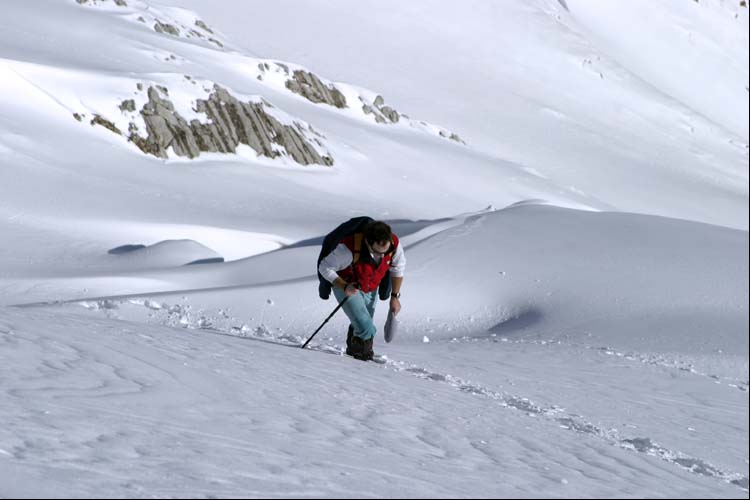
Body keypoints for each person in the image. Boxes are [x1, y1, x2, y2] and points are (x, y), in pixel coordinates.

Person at [318, 220, 405, 360]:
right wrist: (344, 286)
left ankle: (353, 351)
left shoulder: (394, 243)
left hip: (372, 288)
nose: (382, 256)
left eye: (386, 251)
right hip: (347, 286)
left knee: (363, 323)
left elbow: (398, 267)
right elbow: (325, 267)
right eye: (377, 252)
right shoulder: (348, 248)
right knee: (366, 328)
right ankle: (362, 359)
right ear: (368, 243)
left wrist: (395, 296)